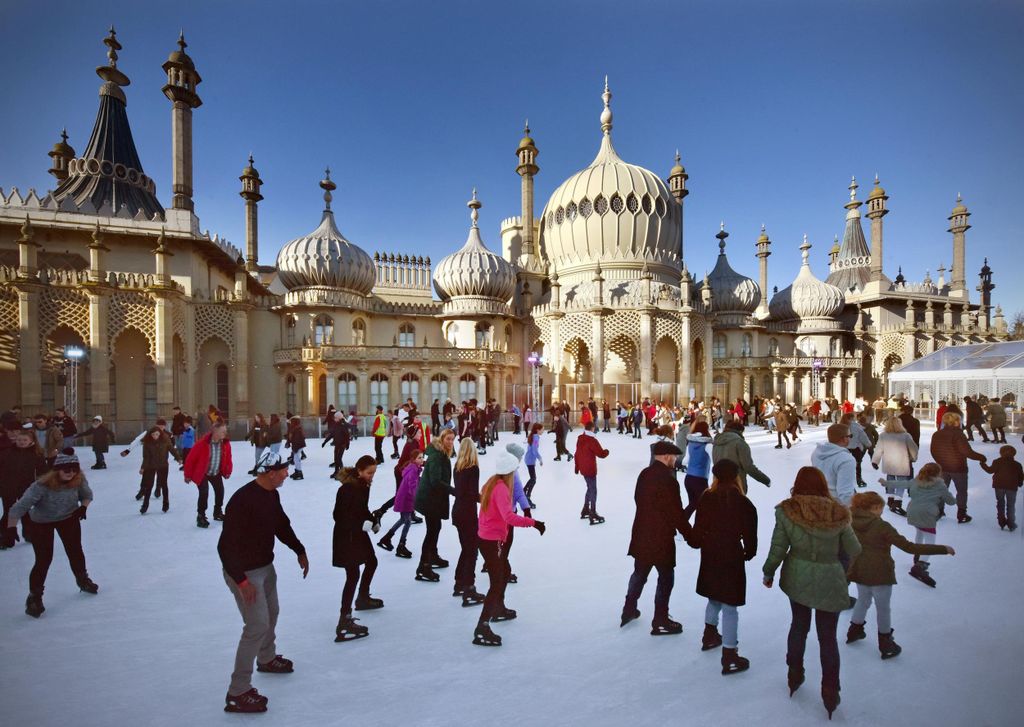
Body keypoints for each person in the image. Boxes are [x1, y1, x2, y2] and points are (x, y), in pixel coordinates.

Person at [762, 466, 861, 719]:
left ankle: (794, 672)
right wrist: (842, 570)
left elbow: (778, 546)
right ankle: (830, 689)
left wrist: (769, 571)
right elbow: (853, 548)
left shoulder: (788, 511)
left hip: (798, 575)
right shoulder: (839, 512)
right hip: (830, 577)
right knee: (828, 637)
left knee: (799, 625)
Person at [217, 451, 308, 713]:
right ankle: (237, 691)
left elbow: (281, 525)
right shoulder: (242, 501)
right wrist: (241, 581)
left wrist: (299, 549)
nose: (287, 473)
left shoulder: (271, 494)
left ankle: (266, 658)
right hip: (245, 573)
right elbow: (225, 546)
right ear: (270, 473)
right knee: (256, 625)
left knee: (272, 613)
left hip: (265, 567)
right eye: (283, 470)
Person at [846, 491, 955, 659]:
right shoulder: (881, 526)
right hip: (880, 573)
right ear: (873, 508)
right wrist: (942, 549)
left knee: (863, 600)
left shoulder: (850, 522)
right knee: (883, 609)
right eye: (880, 508)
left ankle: (854, 631)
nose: (882, 512)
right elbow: (909, 547)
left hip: (859, 570)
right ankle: (886, 643)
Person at [687, 459, 758, 674]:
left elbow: (698, 530)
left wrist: (695, 539)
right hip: (731, 554)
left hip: (710, 553)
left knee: (714, 595)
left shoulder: (707, 497)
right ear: (736, 477)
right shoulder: (743, 502)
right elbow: (750, 534)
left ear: (715, 476)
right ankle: (729, 654)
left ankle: (709, 635)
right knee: (729, 605)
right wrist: (749, 551)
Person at [8, 449, 97, 618]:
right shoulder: (41, 486)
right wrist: (11, 528)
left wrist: (83, 508)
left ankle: (82, 579)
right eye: (66, 469)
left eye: (74, 469)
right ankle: (34, 597)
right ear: (57, 470)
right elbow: (19, 507)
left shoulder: (78, 479)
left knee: (75, 551)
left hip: (68, 518)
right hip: (41, 522)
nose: (71, 473)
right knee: (43, 559)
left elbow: (87, 495)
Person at [472, 451, 544, 647]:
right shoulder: (502, 489)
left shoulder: (491, 483)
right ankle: (482, 627)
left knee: (504, 573)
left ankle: (498, 608)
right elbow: (509, 516)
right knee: (496, 582)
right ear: (510, 471)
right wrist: (533, 523)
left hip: (486, 538)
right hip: (491, 540)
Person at [621, 440, 691, 635]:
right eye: (674, 457)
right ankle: (660, 619)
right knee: (666, 577)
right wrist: (691, 536)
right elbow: (676, 513)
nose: (675, 460)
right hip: (661, 537)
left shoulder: (644, 474)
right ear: (667, 456)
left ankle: (628, 609)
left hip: (642, 532)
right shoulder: (669, 480)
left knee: (639, 573)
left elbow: (638, 499)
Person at [332, 454, 390, 642]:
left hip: (358, 532)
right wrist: (360, 524)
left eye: (373, 473)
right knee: (353, 574)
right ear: (359, 471)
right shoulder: (347, 489)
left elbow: (362, 509)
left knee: (372, 561)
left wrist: (373, 521)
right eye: (369, 473)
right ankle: (344, 619)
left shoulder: (364, 485)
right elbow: (338, 516)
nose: (371, 476)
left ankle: (363, 597)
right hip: (346, 535)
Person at [413, 428, 456, 582]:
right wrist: (453, 490)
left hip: (433, 498)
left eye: (452, 439)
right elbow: (435, 481)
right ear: (442, 439)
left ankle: (432, 556)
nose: (450, 442)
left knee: (435, 528)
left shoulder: (441, 453)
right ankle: (423, 566)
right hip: (429, 499)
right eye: (448, 439)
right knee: (432, 531)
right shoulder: (437, 456)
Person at [905, 463, 957, 587]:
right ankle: (920, 565)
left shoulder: (917, 481)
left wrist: (885, 483)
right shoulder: (939, 485)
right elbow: (950, 501)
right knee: (930, 540)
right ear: (938, 473)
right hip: (926, 515)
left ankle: (917, 554)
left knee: (919, 532)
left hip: (913, 512)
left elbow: (905, 487)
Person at [930, 411, 985, 523]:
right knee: (961, 491)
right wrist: (981, 457)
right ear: (956, 422)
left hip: (942, 467)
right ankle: (961, 514)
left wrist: (940, 461)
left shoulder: (937, 434)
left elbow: (933, 451)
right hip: (958, 467)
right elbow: (967, 451)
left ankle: (938, 511)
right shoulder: (958, 434)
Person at [0, 427, 47, 549]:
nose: (21, 442)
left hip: (27, 487)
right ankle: (7, 538)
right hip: (8, 487)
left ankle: (29, 534)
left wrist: (42, 486)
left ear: (31, 441)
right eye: (19, 440)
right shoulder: (7, 453)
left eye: (24, 440)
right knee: (9, 511)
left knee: (26, 511)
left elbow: (43, 472)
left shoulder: (36, 454)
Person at [451, 439, 485, 606]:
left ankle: (459, 583)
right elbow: (471, 493)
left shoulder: (457, 467)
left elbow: (462, 491)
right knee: (472, 551)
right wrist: (485, 499)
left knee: (466, 549)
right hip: (467, 514)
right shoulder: (473, 468)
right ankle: (469, 588)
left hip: (457, 512)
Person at [184, 421, 233, 528]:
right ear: (215, 431)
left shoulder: (225, 444)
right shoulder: (202, 444)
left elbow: (228, 458)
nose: (225, 433)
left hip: (215, 472)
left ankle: (217, 512)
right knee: (204, 492)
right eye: (222, 431)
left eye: (225, 431)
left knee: (220, 491)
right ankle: (201, 516)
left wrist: (228, 470)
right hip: (203, 473)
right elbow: (190, 459)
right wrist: (187, 475)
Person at [378, 448, 421, 559]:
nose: (422, 460)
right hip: (406, 499)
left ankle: (388, 539)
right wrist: (418, 499)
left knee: (404, 520)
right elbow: (412, 486)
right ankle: (399, 544)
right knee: (407, 521)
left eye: (422, 457)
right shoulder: (413, 470)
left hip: (405, 498)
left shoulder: (413, 468)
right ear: (413, 459)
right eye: (419, 458)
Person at [871, 417, 918, 516]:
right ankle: (897, 502)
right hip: (901, 462)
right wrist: (913, 458)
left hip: (889, 463)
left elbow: (878, 449)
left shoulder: (883, 436)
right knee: (901, 482)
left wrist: (875, 461)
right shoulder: (905, 436)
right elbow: (913, 448)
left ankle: (890, 500)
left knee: (890, 481)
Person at [712, 421, 770, 494]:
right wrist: (765, 480)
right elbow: (748, 467)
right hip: (736, 485)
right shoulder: (740, 442)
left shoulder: (716, 442)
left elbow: (715, 462)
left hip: (718, 485)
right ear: (739, 431)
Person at [811, 424, 857, 506]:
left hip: (820, 502)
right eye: (850, 436)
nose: (850, 438)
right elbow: (845, 494)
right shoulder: (846, 460)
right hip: (837, 507)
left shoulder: (816, 453)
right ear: (844, 439)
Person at [980, 445, 1023, 531]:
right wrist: (1020, 483)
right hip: (1012, 487)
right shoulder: (1017, 464)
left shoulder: (997, 462)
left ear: (1001, 453)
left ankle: (1001, 522)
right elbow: (1021, 476)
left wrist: (982, 464)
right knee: (1011, 505)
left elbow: (990, 470)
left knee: (1000, 503)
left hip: (999, 486)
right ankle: (1011, 523)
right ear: (1014, 454)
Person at [575, 421, 610, 524]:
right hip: (590, 469)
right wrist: (606, 452)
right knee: (593, 490)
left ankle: (586, 509)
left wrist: (577, 466)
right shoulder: (592, 440)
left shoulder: (580, 438)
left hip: (583, 467)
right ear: (592, 428)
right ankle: (592, 512)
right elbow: (601, 454)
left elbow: (577, 453)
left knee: (590, 488)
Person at [139, 425, 173, 515]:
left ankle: (166, 504)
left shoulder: (165, 440)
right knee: (149, 485)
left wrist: (179, 458)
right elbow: (146, 457)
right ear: (150, 435)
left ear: (160, 434)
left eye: (157, 434)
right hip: (151, 466)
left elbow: (172, 449)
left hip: (163, 465)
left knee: (164, 484)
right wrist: (143, 467)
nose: (155, 436)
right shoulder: (147, 443)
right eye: (153, 434)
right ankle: (145, 505)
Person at [684, 421, 713, 520]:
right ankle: (700, 526)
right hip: (700, 479)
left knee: (693, 504)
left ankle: (680, 523)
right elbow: (715, 460)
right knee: (705, 506)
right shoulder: (708, 445)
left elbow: (685, 461)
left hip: (688, 478)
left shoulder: (690, 443)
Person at [840, 413, 872, 488]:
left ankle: (844, 480)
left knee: (844, 464)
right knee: (857, 464)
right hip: (856, 448)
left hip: (844, 448)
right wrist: (868, 444)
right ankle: (859, 480)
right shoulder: (856, 426)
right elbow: (863, 436)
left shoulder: (840, 426)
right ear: (851, 418)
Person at [523, 422, 543, 507]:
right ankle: (527, 496)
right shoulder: (535, 438)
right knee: (533, 479)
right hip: (530, 460)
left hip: (529, 459)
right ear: (538, 430)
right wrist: (540, 458)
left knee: (533, 478)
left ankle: (524, 491)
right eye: (542, 429)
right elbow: (534, 451)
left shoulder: (534, 436)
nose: (543, 431)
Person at [284, 416, 306, 480]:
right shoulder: (295, 428)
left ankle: (299, 473)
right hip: (297, 446)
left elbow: (297, 439)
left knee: (297, 460)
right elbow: (291, 436)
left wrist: (295, 448)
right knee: (296, 459)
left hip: (298, 446)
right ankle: (297, 471)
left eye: (291, 421)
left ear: (294, 422)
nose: (290, 423)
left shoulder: (297, 429)